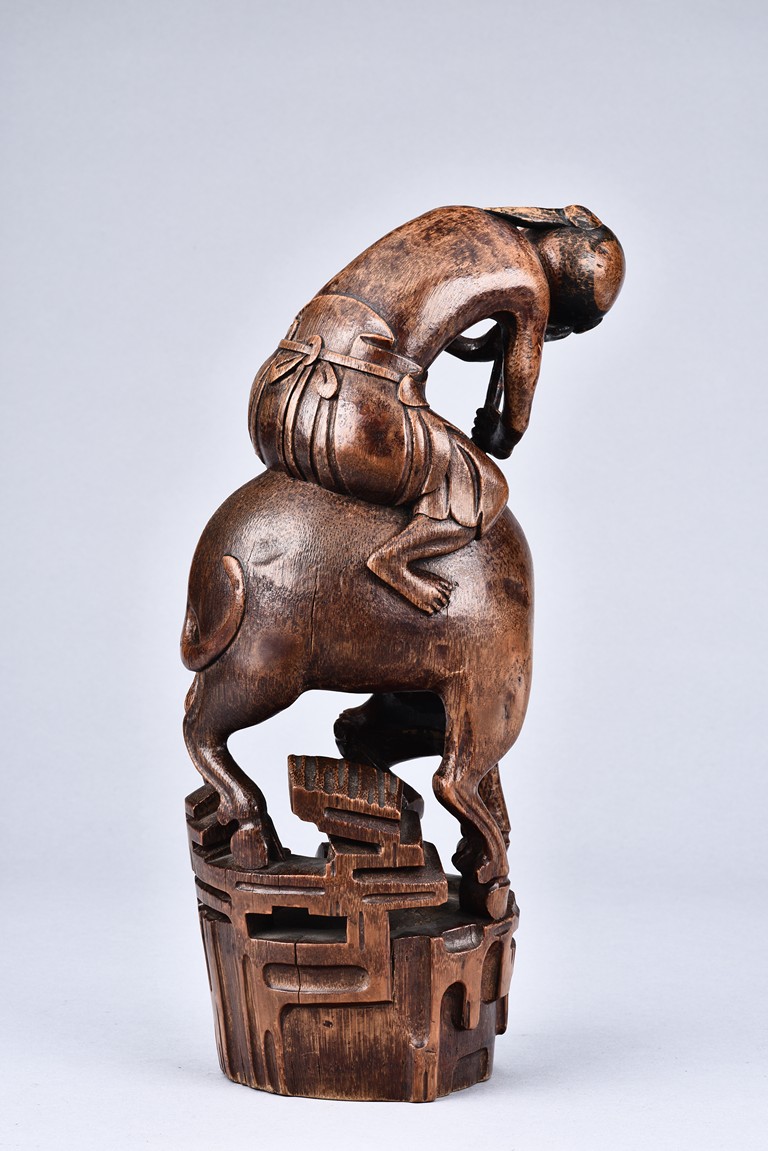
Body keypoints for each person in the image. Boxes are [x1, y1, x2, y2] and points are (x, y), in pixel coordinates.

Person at [248, 203, 625, 613]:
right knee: (485, 488)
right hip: (348, 421)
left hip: (273, 396)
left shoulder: (463, 219)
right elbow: (518, 408)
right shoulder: (530, 284)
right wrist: (501, 436)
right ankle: (395, 560)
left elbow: (458, 338)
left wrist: (494, 338)